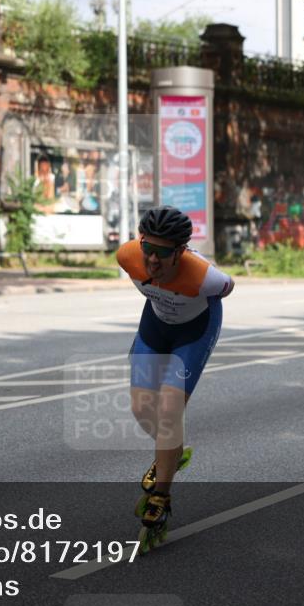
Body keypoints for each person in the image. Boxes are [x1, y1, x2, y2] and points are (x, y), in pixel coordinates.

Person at [116, 206, 235, 552]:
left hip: (193, 333)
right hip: (154, 327)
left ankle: (160, 499)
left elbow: (228, 286)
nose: (152, 260)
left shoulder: (205, 277)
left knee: (169, 413)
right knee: (141, 409)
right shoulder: (127, 256)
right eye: (147, 248)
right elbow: (144, 263)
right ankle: (171, 452)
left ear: (180, 252)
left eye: (163, 252)